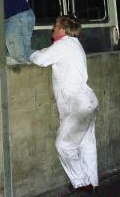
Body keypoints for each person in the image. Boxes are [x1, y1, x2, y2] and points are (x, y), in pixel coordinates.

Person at [29, 16, 98, 193]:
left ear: (62, 28)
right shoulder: (73, 44)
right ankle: (92, 183)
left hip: (78, 105)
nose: (52, 29)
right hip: (86, 101)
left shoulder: (64, 45)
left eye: (55, 26)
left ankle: (82, 183)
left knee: (64, 145)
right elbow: (52, 53)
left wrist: (29, 53)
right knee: (86, 144)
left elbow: (41, 59)